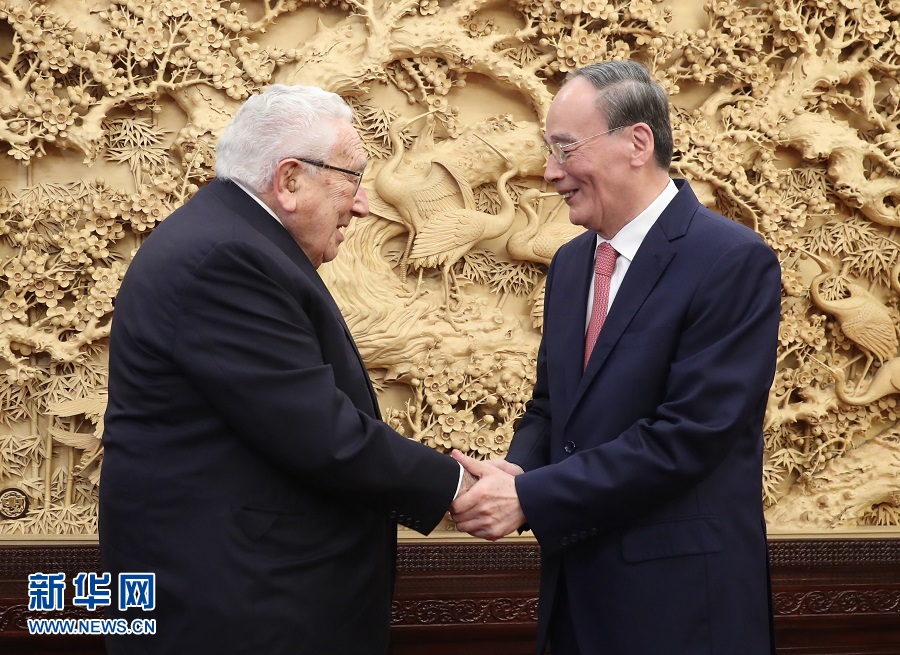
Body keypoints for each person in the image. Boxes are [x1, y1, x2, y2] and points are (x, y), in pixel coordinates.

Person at [99, 84, 467, 655]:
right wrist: (459, 486)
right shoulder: (227, 258)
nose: (362, 204)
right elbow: (321, 434)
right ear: (290, 180)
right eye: (352, 179)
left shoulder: (233, 239)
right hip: (233, 612)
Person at [451, 61, 781, 655]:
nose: (551, 172)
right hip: (575, 598)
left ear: (637, 142)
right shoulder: (572, 263)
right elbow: (552, 408)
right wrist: (517, 472)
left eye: (565, 148)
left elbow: (689, 436)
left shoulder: (731, 259)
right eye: (549, 150)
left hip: (681, 610)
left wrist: (533, 498)